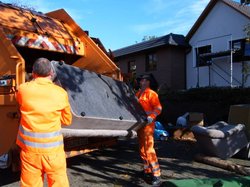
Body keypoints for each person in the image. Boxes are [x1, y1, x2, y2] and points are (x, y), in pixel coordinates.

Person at [16, 58, 72, 187]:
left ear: (33, 73)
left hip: (30, 153)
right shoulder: (61, 93)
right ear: (52, 73)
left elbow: (19, 103)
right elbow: (67, 120)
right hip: (54, 153)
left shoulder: (23, 90)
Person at [136, 74, 162, 186]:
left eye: (144, 80)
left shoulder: (151, 94)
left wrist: (151, 117)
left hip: (148, 125)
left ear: (148, 82)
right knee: (142, 148)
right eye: (141, 80)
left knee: (149, 149)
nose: (142, 82)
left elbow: (158, 108)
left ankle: (156, 174)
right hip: (140, 124)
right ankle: (147, 171)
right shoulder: (138, 94)